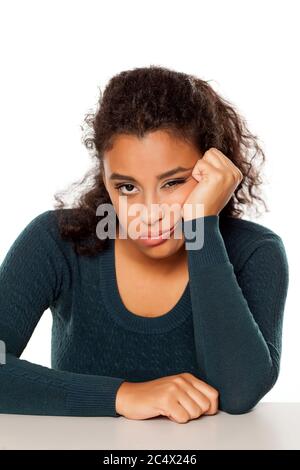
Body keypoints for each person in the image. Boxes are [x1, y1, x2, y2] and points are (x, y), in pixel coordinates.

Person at [0, 65, 289, 424]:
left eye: (173, 183)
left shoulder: (256, 252)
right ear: (104, 180)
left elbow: (240, 392)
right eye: (127, 188)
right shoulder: (57, 241)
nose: (149, 214)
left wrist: (202, 227)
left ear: (211, 172)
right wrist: (122, 395)